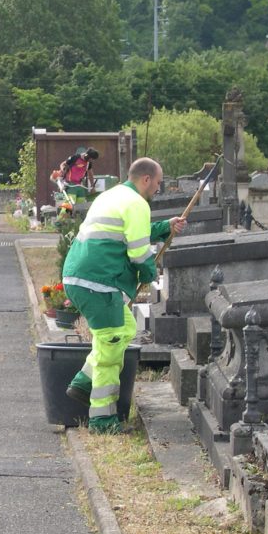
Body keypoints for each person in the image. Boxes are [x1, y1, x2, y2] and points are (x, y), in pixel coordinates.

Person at [61, 157, 186, 433]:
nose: (158, 188)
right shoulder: (137, 204)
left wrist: (165, 226)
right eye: (158, 182)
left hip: (79, 277)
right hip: (98, 284)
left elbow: (129, 235)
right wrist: (149, 273)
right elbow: (139, 253)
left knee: (125, 328)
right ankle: (103, 421)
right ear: (146, 179)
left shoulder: (114, 195)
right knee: (110, 347)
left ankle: (84, 381)